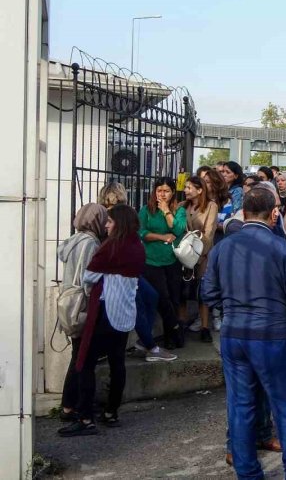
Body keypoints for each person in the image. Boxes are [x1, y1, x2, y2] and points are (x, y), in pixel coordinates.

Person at [201, 188, 286, 480]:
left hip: (233, 335)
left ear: (243, 213)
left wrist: (234, 307)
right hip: (270, 336)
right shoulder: (282, 249)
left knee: (241, 404)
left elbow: (208, 293)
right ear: (273, 214)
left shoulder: (223, 247)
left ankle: (247, 472)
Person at [58, 205, 145, 437]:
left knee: (85, 363)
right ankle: (111, 412)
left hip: (104, 313)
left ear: (119, 223)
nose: (106, 225)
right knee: (118, 364)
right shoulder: (138, 246)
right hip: (125, 313)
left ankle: (85, 418)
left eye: (110, 221)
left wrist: (105, 275)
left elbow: (89, 275)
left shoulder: (111, 247)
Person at [57, 204, 107, 424]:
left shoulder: (74, 240)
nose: (106, 223)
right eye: (103, 219)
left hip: (70, 302)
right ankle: (71, 406)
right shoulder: (90, 243)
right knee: (82, 358)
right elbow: (89, 277)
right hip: (83, 306)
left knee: (77, 356)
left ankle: (68, 405)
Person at [139, 177, 187, 350]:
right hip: (151, 261)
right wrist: (161, 237)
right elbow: (141, 232)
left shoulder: (179, 210)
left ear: (173, 192)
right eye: (159, 190)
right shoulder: (146, 210)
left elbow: (178, 229)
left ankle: (170, 337)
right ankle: (175, 329)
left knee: (174, 298)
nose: (162, 194)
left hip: (172, 260)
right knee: (162, 298)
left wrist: (166, 210)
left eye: (166, 191)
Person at [180, 176, 219, 343]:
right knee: (182, 291)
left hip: (203, 254)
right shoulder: (182, 206)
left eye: (189, 187)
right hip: (184, 254)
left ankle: (204, 327)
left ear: (200, 190)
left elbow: (209, 232)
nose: (186, 190)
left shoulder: (211, 206)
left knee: (202, 292)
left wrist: (199, 252)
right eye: (186, 187)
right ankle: (181, 326)